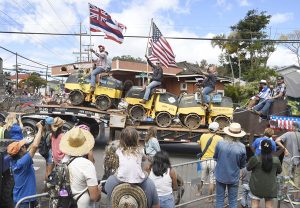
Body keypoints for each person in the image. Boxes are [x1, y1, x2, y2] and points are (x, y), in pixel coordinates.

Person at [104, 127, 160, 208]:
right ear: (136, 140)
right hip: (139, 179)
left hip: (120, 178)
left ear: (121, 140)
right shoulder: (150, 185)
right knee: (146, 173)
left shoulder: (110, 182)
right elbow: (156, 206)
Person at [60, 127, 101, 207]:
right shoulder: (86, 165)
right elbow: (94, 197)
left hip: (66, 201)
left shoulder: (64, 160)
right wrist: (99, 191)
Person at [7, 121, 43, 207]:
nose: (25, 147)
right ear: (19, 152)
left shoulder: (16, 160)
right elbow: (34, 146)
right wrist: (40, 129)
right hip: (25, 201)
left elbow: (30, 148)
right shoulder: (22, 163)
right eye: (23, 147)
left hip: (20, 198)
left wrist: (37, 133)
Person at [213, 122, 247, 208]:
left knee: (219, 199)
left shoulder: (220, 144)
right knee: (233, 201)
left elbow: (215, 157)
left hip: (220, 175)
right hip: (233, 176)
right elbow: (242, 164)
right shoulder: (242, 147)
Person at [247, 139, 282, 208]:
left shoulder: (255, 158)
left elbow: (248, 168)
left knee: (255, 204)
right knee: (269, 205)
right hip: (270, 187)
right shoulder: (276, 160)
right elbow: (279, 171)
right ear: (271, 148)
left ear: (261, 147)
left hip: (256, 186)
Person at [196, 122, 223, 198]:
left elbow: (200, 145)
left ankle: (198, 192)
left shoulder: (203, 136)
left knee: (200, 178)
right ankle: (210, 198)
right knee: (212, 180)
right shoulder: (220, 139)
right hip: (214, 161)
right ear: (217, 130)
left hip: (203, 160)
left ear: (209, 128)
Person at [275, 122, 300, 200]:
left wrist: (284, 149)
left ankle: (284, 196)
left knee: (285, 177)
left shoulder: (288, 134)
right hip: (298, 160)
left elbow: (277, 140)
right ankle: (296, 198)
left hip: (288, 160)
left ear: (293, 127)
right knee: (297, 178)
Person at [39, 117, 55, 182]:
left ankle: (46, 183)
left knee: (47, 169)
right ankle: (48, 185)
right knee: (50, 172)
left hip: (47, 152)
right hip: (50, 153)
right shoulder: (51, 134)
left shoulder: (44, 131)